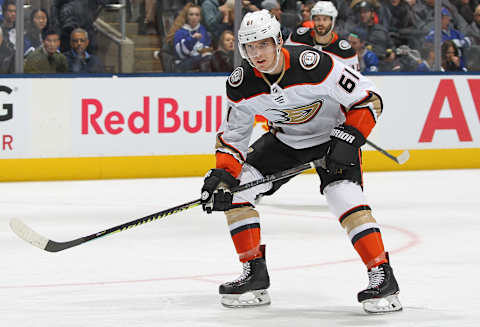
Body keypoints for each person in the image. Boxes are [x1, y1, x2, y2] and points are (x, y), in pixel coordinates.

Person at [200, 9, 402, 313]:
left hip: (332, 138)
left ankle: (382, 276)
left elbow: (369, 98)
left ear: (278, 41)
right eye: (250, 47)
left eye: (263, 45)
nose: (257, 53)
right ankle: (254, 273)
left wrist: (350, 136)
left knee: (343, 198)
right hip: (285, 142)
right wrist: (223, 174)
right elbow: (233, 136)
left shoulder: (314, 65)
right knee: (237, 191)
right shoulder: (241, 84)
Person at [285, 1, 359, 70]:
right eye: (317, 19)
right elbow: (284, 63)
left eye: (325, 19)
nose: (321, 23)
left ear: (332, 21)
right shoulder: (297, 37)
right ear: (312, 20)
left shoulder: (345, 52)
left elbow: (355, 80)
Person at [173, 3, 212, 72]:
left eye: (197, 15)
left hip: (201, 59)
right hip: (183, 63)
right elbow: (181, 54)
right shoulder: (179, 32)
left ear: (200, 17)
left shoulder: (202, 29)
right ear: (186, 17)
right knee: (207, 59)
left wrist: (206, 49)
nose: (194, 17)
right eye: (191, 14)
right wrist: (193, 39)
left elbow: (206, 45)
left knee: (211, 58)